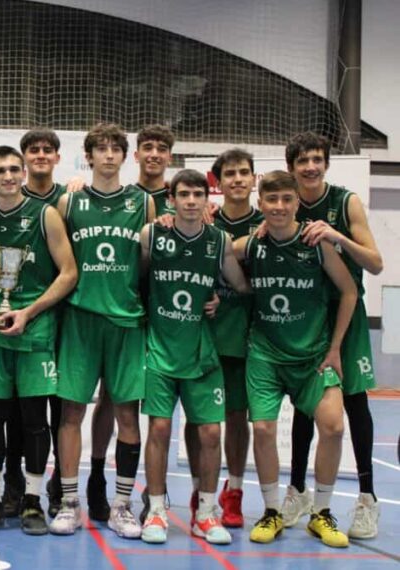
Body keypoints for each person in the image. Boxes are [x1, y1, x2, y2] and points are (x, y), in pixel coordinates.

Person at [237, 170, 357, 548]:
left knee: (334, 427)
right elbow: (216, 247)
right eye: (271, 200)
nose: (279, 207)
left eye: (286, 200)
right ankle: (272, 511)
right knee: (263, 430)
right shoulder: (251, 245)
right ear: (261, 204)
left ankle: (320, 513)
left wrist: (336, 347)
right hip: (266, 356)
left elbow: (350, 291)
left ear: (296, 203)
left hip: (313, 357)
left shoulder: (316, 243)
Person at [0, 146, 77, 536]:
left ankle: (32, 501)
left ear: (23, 171)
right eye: (0, 171)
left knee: (34, 423)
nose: (9, 176)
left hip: (36, 333)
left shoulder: (45, 214)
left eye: (15, 169)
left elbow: (69, 274)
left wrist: (28, 312)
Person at [48, 124, 155, 537]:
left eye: (116, 149)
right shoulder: (68, 202)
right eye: (101, 149)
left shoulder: (143, 202)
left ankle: (122, 504)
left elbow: (147, 264)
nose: (109, 155)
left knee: (127, 413)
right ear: (88, 157)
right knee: (72, 411)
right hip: (80, 320)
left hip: (127, 322)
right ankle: (70, 502)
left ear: (124, 158)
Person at [140, 169, 250, 545]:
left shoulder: (219, 241)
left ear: (207, 200)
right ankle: (156, 510)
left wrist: (221, 296)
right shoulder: (152, 234)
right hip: (159, 348)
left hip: (202, 351)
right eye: (183, 194)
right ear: (170, 199)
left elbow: (241, 285)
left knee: (210, 431)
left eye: (197, 195)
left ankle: (205, 512)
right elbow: (136, 279)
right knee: (159, 428)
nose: (190, 201)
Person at [281, 133, 383, 539]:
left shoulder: (345, 202)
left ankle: (366, 499)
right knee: (307, 408)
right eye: (303, 160)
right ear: (291, 166)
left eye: (317, 159)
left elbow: (375, 263)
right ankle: (299, 491)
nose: (310, 166)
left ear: (326, 163)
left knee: (356, 405)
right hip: (304, 316)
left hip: (346, 314)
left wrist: (338, 237)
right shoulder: (283, 201)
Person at [182, 148, 262, 528]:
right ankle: (201, 491)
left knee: (236, 417)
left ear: (253, 178)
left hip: (244, 334)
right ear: (217, 181)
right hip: (203, 331)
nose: (237, 179)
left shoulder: (268, 221)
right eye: (229, 173)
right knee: (198, 420)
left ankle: (234, 492)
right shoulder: (201, 220)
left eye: (244, 172)